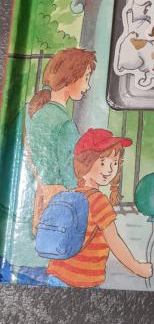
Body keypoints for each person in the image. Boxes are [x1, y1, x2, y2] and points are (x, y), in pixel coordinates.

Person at [1, 48, 96, 278]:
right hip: (41, 245)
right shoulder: (64, 125)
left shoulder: (26, 111)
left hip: (8, 232)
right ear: (71, 77)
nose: (87, 86)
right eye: (86, 78)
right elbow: (71, 182)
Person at [46, 128, 152, 288]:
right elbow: (114, 241)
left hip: (56, 274)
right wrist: (138, 268)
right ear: (86, 162)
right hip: (81, 282)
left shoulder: (70, 194)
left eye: (114, 163)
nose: (109, 170)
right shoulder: (98, 200)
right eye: (102, 162)